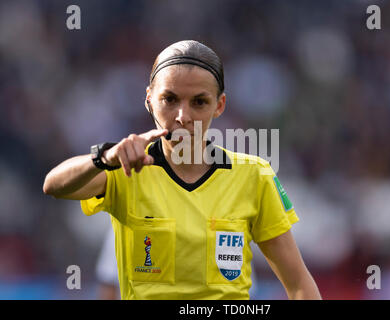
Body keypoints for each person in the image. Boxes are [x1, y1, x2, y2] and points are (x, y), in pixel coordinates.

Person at [43, 40, 321, 300]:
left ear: (219, 105)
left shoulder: (254, 176)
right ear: (150, 99)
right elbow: (54, 186)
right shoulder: (125, 169)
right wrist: (104, 156)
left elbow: (298, 283)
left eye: (199, 102)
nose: (183, 116)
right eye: (170, 99)